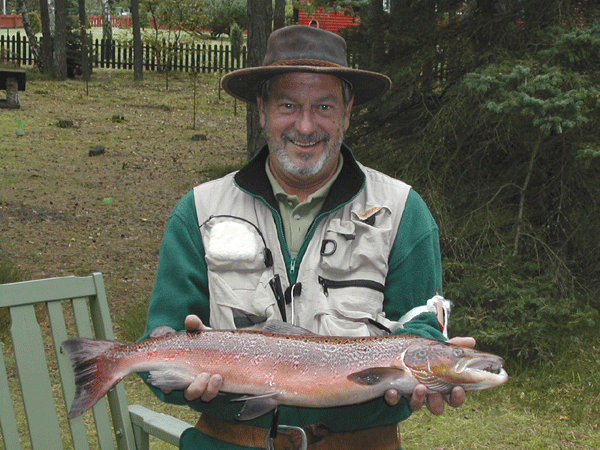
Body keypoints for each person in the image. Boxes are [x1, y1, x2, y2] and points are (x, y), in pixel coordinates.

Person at [141, 25, 475, 450]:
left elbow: (421, 322)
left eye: (323, 105)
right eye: (287, 104)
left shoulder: (403, 212)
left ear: (347, 111)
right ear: (261, 109)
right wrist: (181, 381)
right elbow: (160, 343)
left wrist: (434, 365)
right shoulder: (199, 211)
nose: (305, 125)